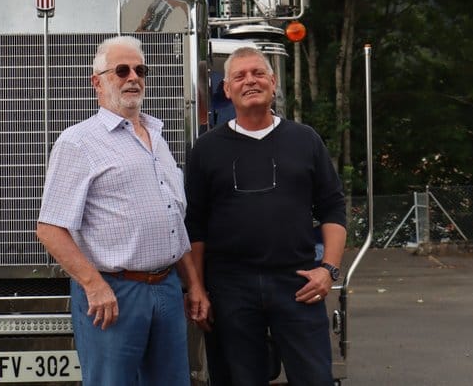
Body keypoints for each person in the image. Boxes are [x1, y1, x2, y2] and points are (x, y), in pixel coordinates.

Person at [36, 35, 209, 385]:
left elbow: (174, 221)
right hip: (114, 292)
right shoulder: (78, 141)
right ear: (97, 82)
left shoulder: (158, 138)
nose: (133, 77)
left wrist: (193, 285)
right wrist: (93, 285)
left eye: (140, 70)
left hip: (167, 289)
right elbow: (50, 227)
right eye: (122, 70)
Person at [185, 46, 347, 385]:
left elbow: (332, 207)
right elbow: (194, 225)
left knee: (315, 378)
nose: (250, 81)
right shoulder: (206, 149)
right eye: (239, 76)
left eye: (258, 73)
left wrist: (328, 270)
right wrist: (196, 287)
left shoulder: (305, 140)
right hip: (229, 289)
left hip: (298, 282)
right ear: (226, 90)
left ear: (273, 83)